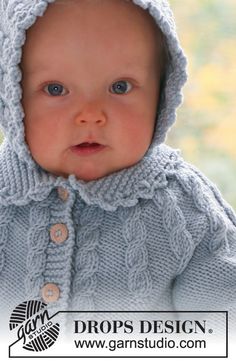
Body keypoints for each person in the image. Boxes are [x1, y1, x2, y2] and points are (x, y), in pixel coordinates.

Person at [0, 0, 235, 332]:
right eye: (56, 89)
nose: (91, 114)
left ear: (162, 93)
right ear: (12, 97)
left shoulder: (184, 207)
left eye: (120, 87)